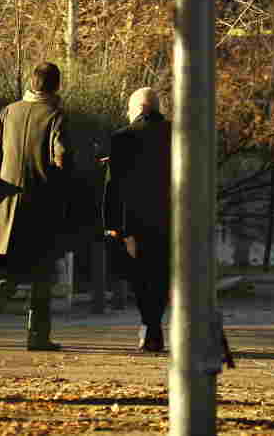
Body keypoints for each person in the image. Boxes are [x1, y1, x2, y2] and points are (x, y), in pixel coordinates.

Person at [0, 61, 77, 351]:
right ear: (56, 86)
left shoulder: (9, 111)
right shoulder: (56, 115)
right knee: (42, 272)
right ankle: (37, 335)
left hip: (8, 202)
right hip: (42, 204)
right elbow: (63, 159)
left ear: (32, 83)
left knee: (14, 266)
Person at [102, 87, 172, 353]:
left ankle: (149, 325)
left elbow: (114, 186)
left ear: (137, 109)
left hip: (135, 220)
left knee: (142, 275)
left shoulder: (122, 137)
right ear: (156, 107)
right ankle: (153, 326)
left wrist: (112, 224)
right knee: (163, 274)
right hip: (171, 217)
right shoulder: (176, 133)